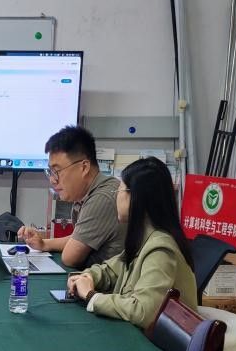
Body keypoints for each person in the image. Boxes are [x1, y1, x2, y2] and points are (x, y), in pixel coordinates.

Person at [65, 156, 196, 328]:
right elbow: (110, 270)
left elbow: (143, 311)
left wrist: (91, 296)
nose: (116, 197)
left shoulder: (160, 249)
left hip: (160, 342)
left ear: (135, 197)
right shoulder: (144, 237)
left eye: (119, 191)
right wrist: (87, 277)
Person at [18, 125, 125, 269]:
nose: (52, 180)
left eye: (57, 171)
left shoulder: (102, 198)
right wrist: (43, 244)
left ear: (84, 167)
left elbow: (70, 258)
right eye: (50, 172)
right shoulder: (91, 192)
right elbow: (79, 238)